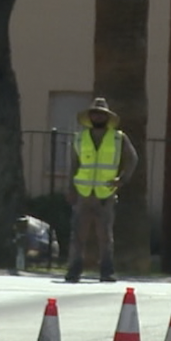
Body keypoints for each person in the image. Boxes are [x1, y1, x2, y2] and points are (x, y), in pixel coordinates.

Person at [65, 97, 138, 283]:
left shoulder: (118, 138)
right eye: (94, 113)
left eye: (101, 114)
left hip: (105, 194)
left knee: (105, 235)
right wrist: (70, 188)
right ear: (90, 116)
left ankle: (107, 271)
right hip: (83, 193)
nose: (98, 117)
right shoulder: (79, 138)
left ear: (107, 117)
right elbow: (73, 165)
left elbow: (132, 159)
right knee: (78, 234)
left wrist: (122, 179)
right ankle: (74, 270)